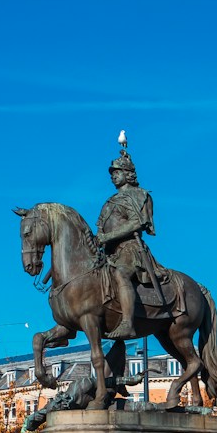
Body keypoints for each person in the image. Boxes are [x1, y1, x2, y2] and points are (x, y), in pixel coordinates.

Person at [96, 141, 158, 341]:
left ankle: (127, 323)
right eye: (112, 173)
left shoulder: (140, 195)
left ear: (128, 173)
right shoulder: (109, 201)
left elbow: (137, 223)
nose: (113, 176)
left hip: (130, 249)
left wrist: (107, 237)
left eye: (117, 172)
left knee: (121, 274)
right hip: (109, 253)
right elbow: (101, 227)